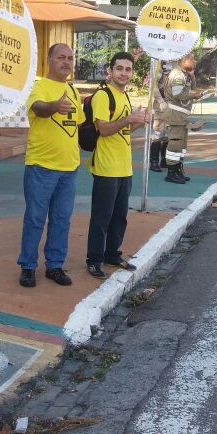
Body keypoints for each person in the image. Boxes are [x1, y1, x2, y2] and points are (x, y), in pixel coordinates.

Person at [17, 42, 82, 288]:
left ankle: (54, 265)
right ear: (49, 60)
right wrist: (54, 106)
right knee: (35, 218)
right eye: (61, 57)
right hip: (41, 166)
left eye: (70, 58)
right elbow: (40, 109)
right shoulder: (38, 86)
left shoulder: (73, 91)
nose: (66, 62)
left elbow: (78, 125)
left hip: (69, 168)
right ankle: (28, 266)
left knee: (61, 220)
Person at [85, 51, 150, 279]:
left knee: (120, 216)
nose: (124, 73)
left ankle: (112, 254)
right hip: (106, 167)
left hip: (124, 167)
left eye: (128, 69)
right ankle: (94, 260)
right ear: (110, 71)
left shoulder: (124, 96)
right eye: (119, 68)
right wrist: (129, 119)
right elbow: (104, 129)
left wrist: (139, 122)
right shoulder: (103, 96)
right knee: (101, 217)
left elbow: (123, 130)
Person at [163, 54, 204, 184]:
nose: (194, 61)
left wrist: (192, 76)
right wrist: (193, 95)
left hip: (180, 114)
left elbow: (192, 88)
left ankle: (177, 170)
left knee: (181, 144)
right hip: (175, 114)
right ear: (183, 60)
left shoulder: (184, 74)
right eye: (191, 59)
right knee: (175, 143)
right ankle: (171, 172)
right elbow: (178, 93)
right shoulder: (178, 75)